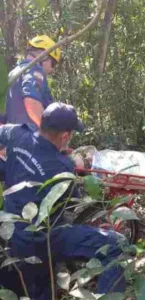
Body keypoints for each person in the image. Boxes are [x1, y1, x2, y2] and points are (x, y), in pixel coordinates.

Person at [0, 103, 126, 299]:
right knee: (117, 244)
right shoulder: (62, 167)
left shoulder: (18, 134)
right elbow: (73, 203)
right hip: (40, 240)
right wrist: (75, 165)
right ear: (65, 136)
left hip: (8, 228)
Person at [5, 35, 61, 129]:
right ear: (44, 56)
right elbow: (31, 103)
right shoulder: (35, 70)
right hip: (30, 139)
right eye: (53, 64)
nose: (52, 70)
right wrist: (50, 136)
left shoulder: (12, 74)